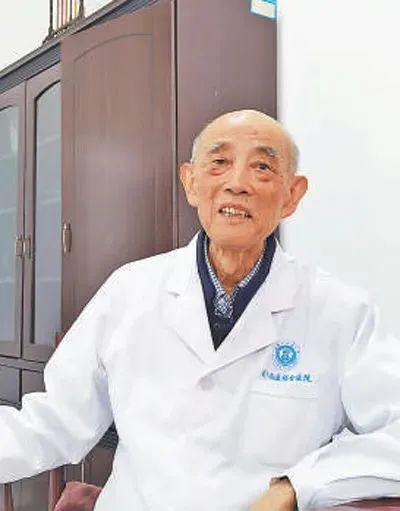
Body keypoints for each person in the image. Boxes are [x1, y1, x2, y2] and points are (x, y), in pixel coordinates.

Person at [1, 110, 400, 511]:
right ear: (190, 182)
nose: (237, 183)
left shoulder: (341, 311)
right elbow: (56, 421)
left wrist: (296, 487)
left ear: (292, 196)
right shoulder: (129, 290)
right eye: (219, 162)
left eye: (262, 167)